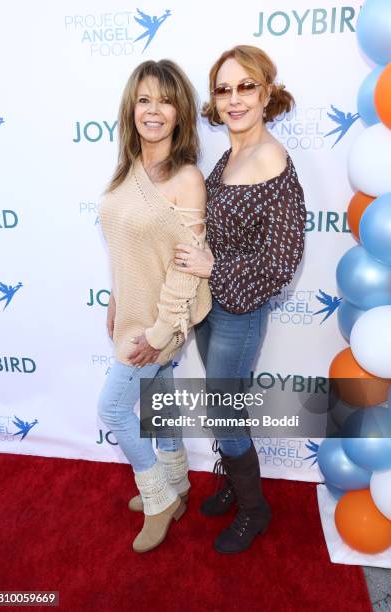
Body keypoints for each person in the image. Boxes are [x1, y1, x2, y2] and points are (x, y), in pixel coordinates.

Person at [174, 45, 306, 553]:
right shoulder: (232, 153)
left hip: (240, 310)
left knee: (224, 412)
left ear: (267, 91)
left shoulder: (271, 158)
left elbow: (282, 259)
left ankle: (256, 510)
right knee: (224, 405)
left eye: (245, 87)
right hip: (212, 305)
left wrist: (215, 267)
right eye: (224, 89)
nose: (234, 99)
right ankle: (233, 480)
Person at [98, 59, 212, 553]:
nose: (153, 109)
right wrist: (117, 300)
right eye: (144, 99)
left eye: (164, 100)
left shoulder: (185, 178)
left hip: (160, 324)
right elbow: (126, 245)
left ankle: (159, 497)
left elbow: (186, 269)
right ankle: (178, 483)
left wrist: (162, 334)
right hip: (133, 313)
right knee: (159, 407)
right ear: (132, 107)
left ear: (179, 111)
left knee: (115, 410)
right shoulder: (128, 167)